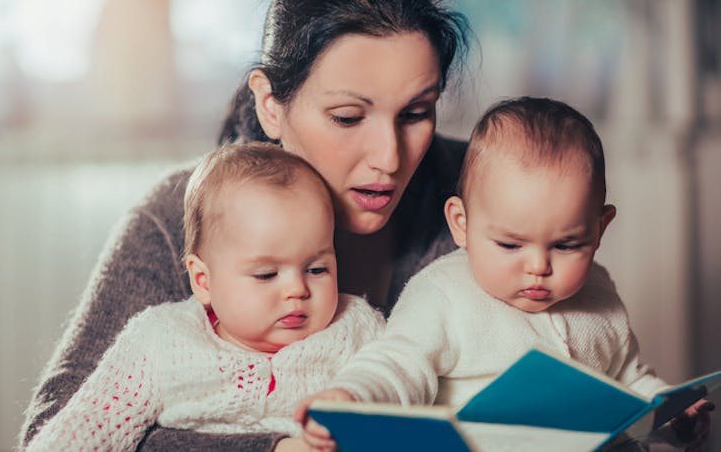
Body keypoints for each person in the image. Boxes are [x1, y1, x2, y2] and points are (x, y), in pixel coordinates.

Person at [19, 0, 472, 450]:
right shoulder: (174, 219)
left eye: (415, 114)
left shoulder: (482, 188)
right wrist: (273, 448)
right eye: (347, 117)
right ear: (270, 104)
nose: (388, 158)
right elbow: (56, 432)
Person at [297, 97, 714, 451]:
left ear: (600, 229)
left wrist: (669, 412)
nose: (538, 267)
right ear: (461, 223)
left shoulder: (600, 293)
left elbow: (630, 381)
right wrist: (351, 397)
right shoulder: (442, 293)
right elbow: (397, 364)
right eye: (511, 245)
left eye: (566, 245)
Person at [24, 142, 385, 451]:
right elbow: (92, 424)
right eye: (266, 274)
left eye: (317, 269)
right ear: (203, 281)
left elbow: (405, 398)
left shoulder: (355, 328)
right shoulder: (162, 339)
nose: (297, 289)